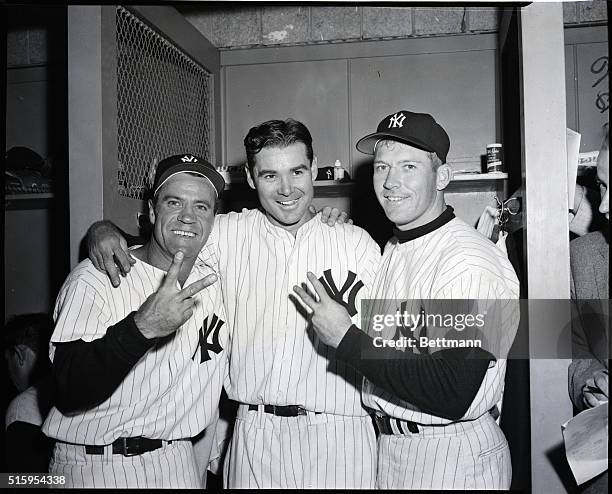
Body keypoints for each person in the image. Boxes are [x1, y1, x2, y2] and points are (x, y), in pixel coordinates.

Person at [87, 119, 382, 489]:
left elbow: (391, 345)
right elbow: (165, 239)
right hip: (254, 434)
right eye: (271, 175)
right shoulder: (228, 233)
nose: (287, 189)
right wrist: (102, 230)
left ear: (314, 167)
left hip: (339, 434)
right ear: (251, 177)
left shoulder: (355, 242)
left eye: (297, 171)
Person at [293, 110, 520, 490]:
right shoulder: (398, 246)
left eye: (408, 166)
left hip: (451, 457)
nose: (390, 182)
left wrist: (347, 339)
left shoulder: (467, 260)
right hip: (397, 449)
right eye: (382, 167)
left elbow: (452, 390)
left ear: (442, 177)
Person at [41, 154, 227, 488]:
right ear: (152, 211)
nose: (188, 216)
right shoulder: (98, 277)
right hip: (97, 465)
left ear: (214, 220)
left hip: (178, 463)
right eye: (174, 202)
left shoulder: (216, 281)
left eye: (201, 207)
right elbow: (68, 388)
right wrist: (142, 328)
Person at [567, 125, 608, 493]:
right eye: (602, 186)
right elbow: (579, 352)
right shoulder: (585, 256)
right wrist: (590, 387)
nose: (604, 206)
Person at [4, 313, 55, 473]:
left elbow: (23, 482)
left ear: (19, 354)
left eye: (7, 361)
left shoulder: (21, 407)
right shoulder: (74, 388)